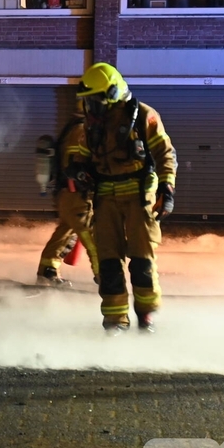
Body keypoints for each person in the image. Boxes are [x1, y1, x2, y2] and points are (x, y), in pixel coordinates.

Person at [75, 62, 177, 334]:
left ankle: (145, 317)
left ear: (111, 93)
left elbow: (165, 154)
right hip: (105, 199)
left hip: (138, 196)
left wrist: (167, 189)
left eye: (95, 99)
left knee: (142, 261)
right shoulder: (93, 124)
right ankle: (115, 321)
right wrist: (77, 170)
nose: (90, 105)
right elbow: (82, 156)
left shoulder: (144, 116)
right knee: (108, 263)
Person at [36, 99, 100, 287]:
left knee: (64, 233)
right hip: (77, 196)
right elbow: (77, 163)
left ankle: (47, 271)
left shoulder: (71, 128)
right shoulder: (81, 131)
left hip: (67, 196)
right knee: (93, 238)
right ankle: (107, 278)